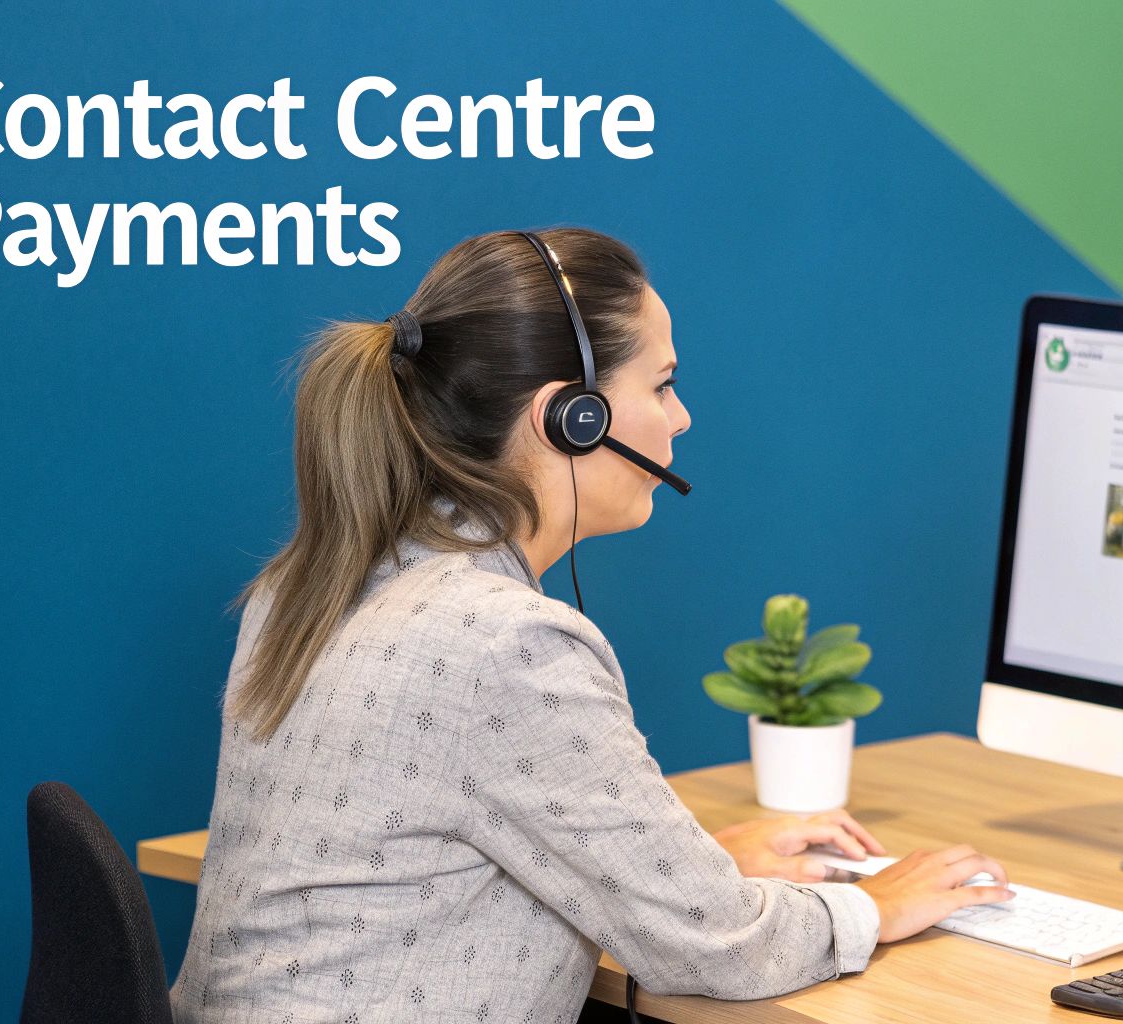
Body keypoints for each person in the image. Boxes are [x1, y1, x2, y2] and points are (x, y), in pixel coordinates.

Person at [169, 227, 1015, 1024]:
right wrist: (873, 905)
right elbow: (720, 950)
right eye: (662, 385)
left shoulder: (310, 584)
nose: (680, 419)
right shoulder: (501, 642)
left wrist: (685, 875)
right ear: (573, 418)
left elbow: (422, 858)